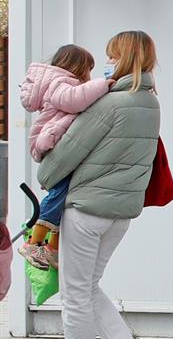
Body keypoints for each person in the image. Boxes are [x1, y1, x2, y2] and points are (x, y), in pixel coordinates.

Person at [31, 31, 161, 339]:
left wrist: (44, 172)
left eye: (110, 56)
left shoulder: (108, 104)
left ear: (120, 59)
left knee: (74, 294)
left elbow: (61, 159)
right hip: (120, 214)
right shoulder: (151, 103)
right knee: (87, 285)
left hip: (86, 210)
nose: (105, 64)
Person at [18, 44, 111, 245]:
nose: (89, 74)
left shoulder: (59, 83)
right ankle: (35, 243)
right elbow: (73, 101)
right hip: (49, 140)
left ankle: (51, 247)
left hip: (52, 139)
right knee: (60, 192)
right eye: (88, 69)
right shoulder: (60, 84)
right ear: (77, 66)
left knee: (65, 196)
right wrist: (104, 84)